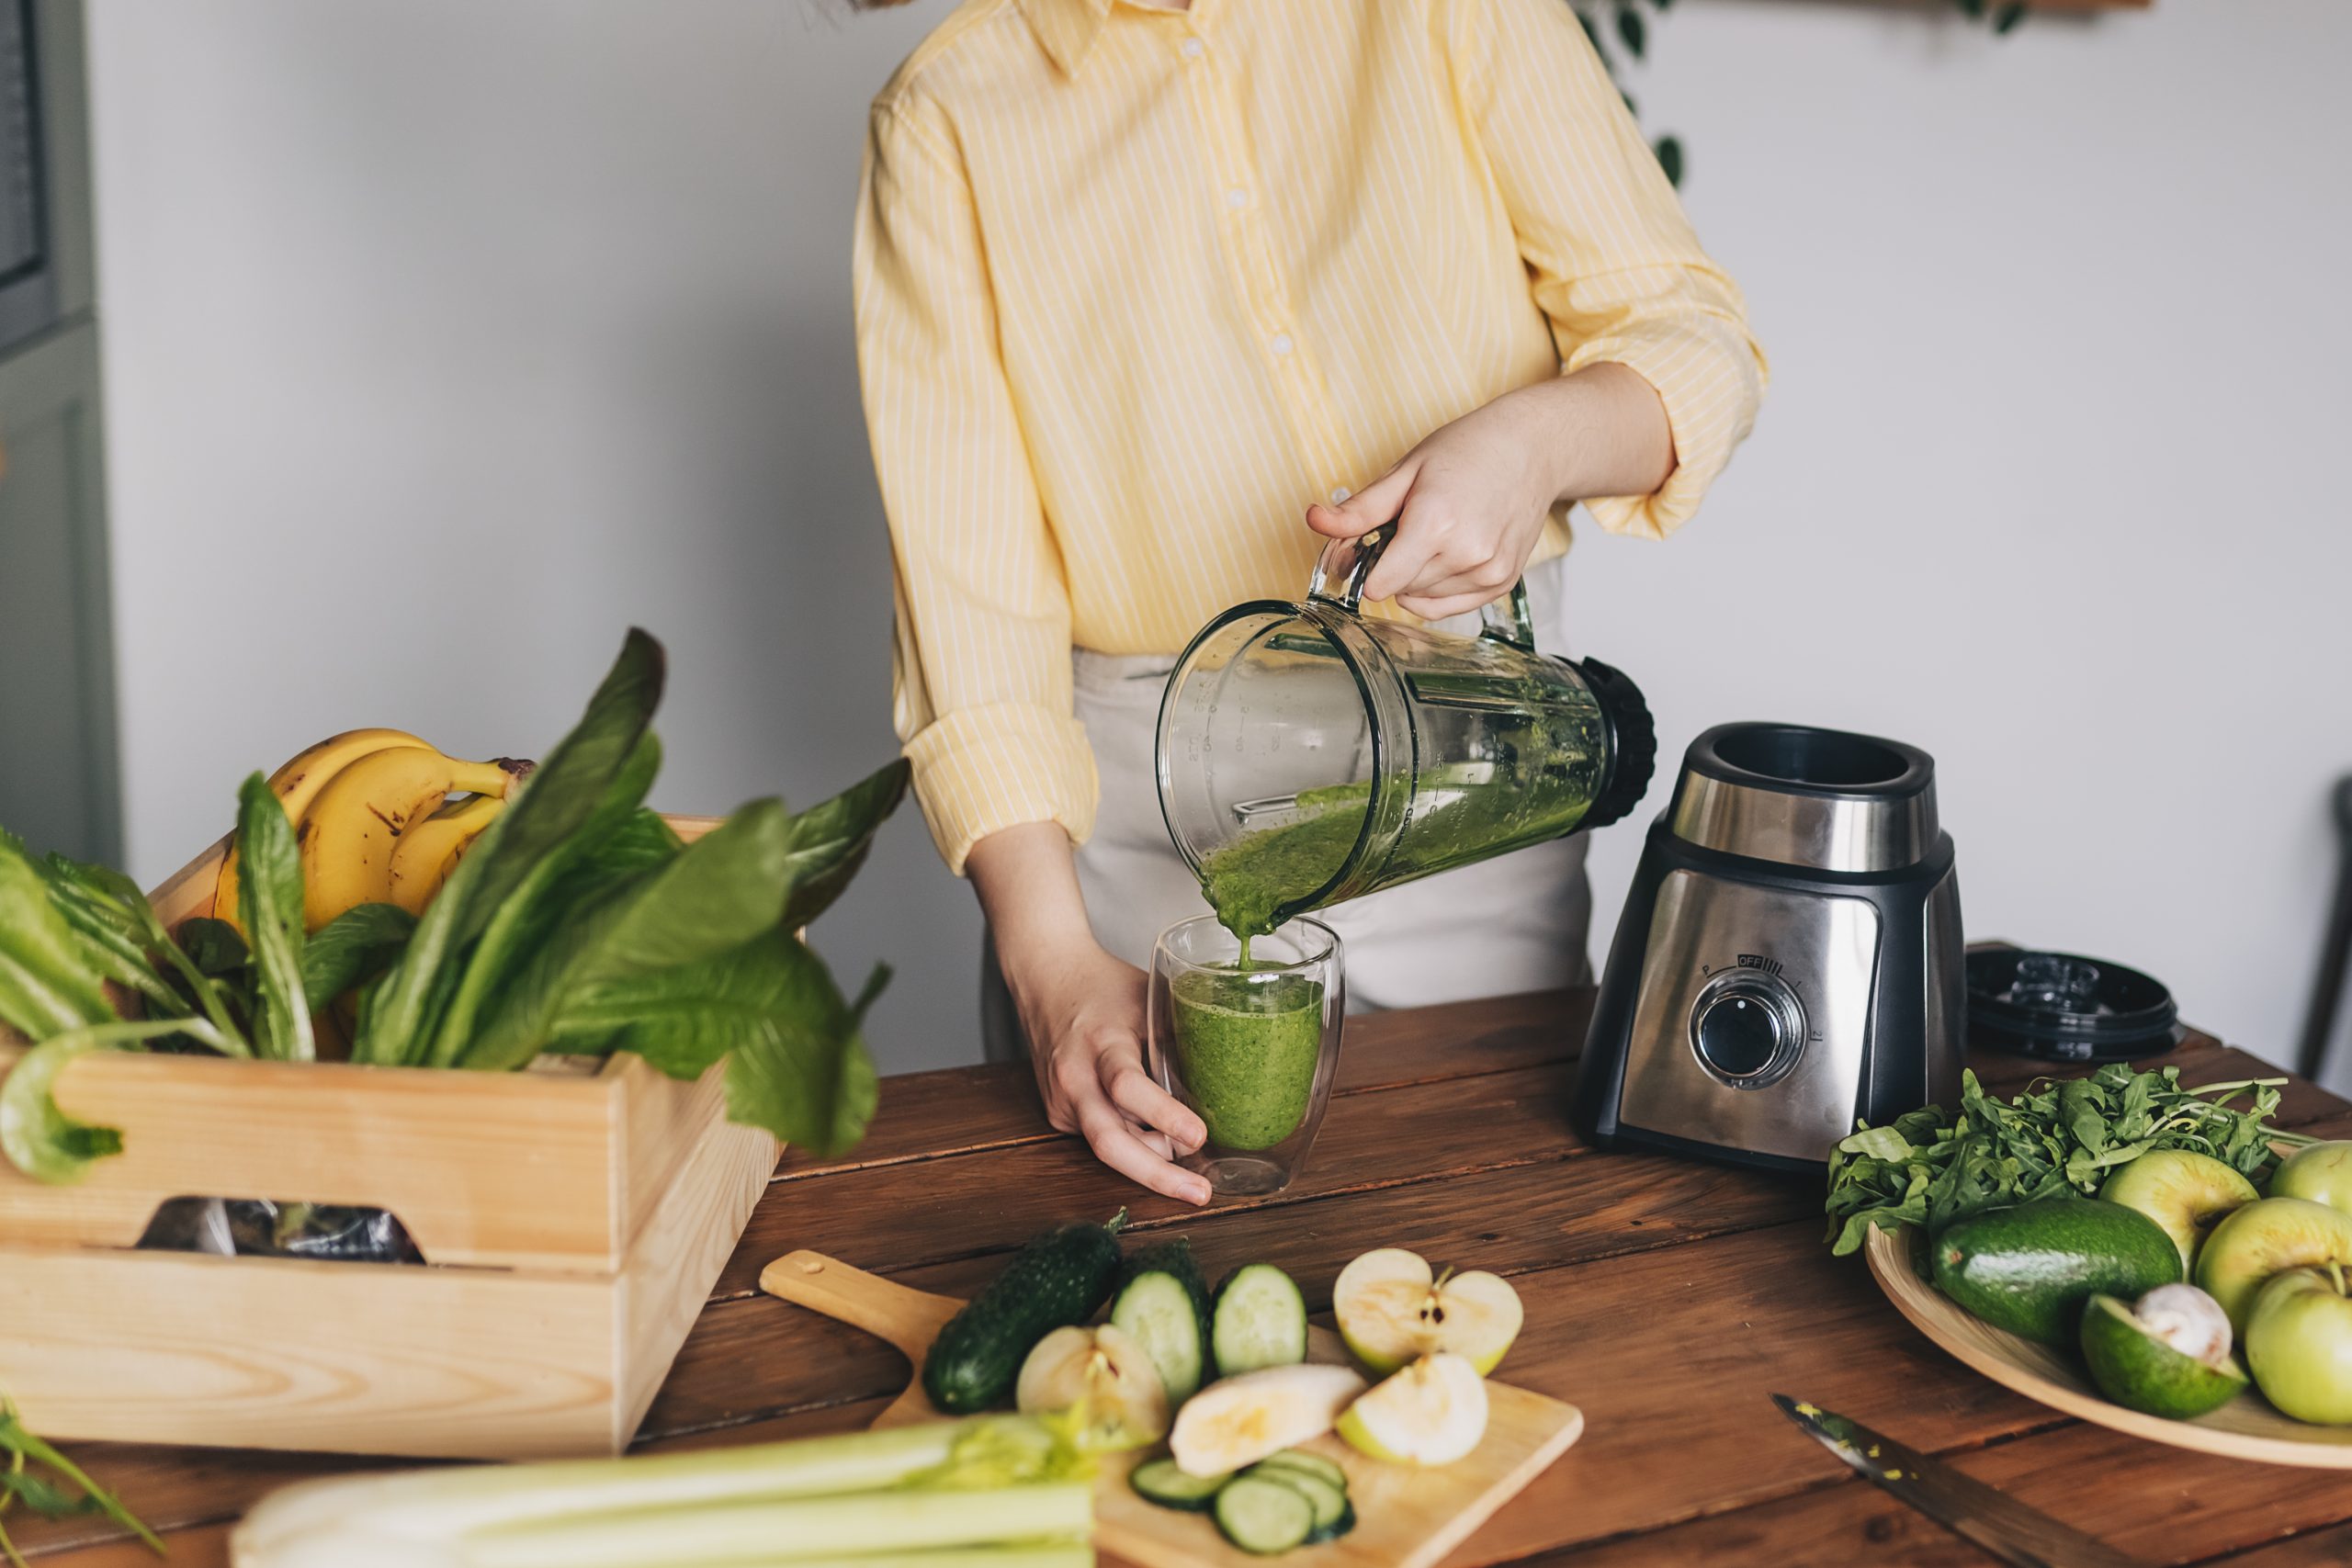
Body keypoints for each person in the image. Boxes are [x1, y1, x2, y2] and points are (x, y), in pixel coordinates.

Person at [854, 0, 1766, 1204]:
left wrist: (1534, 444)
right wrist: (1051, 967)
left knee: (1493, 1245)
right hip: (1135, 856)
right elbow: (971, 617)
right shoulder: (947, 114)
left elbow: (1692, 340)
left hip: (1472, 770)